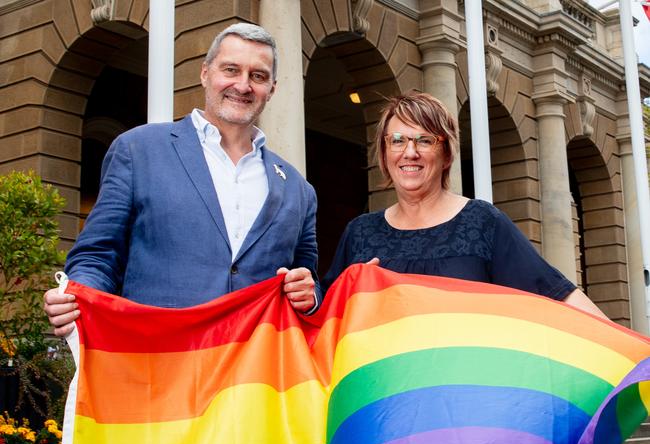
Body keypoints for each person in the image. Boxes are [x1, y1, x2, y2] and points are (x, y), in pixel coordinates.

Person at [44, 23, 320, 335]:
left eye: (258, 76)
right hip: (158, 361)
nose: (243, 85)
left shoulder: (299, 189)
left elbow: (308, 278)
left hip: (256, 371)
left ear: (272, 88)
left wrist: (308, 296)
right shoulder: (138, 150)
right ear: (205, 73)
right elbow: (98, 255)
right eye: (231, 69)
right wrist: (76, 296)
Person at [323, 91, 607, 320]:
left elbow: (557, 295)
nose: (410, 152)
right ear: (385, 155)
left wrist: (633, 356)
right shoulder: (360, 233)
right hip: (384, 389)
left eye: (425, 140)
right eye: (397, 141)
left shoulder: (482, 222)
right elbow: (326, 313)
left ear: (446, 155)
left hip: (464, 389)